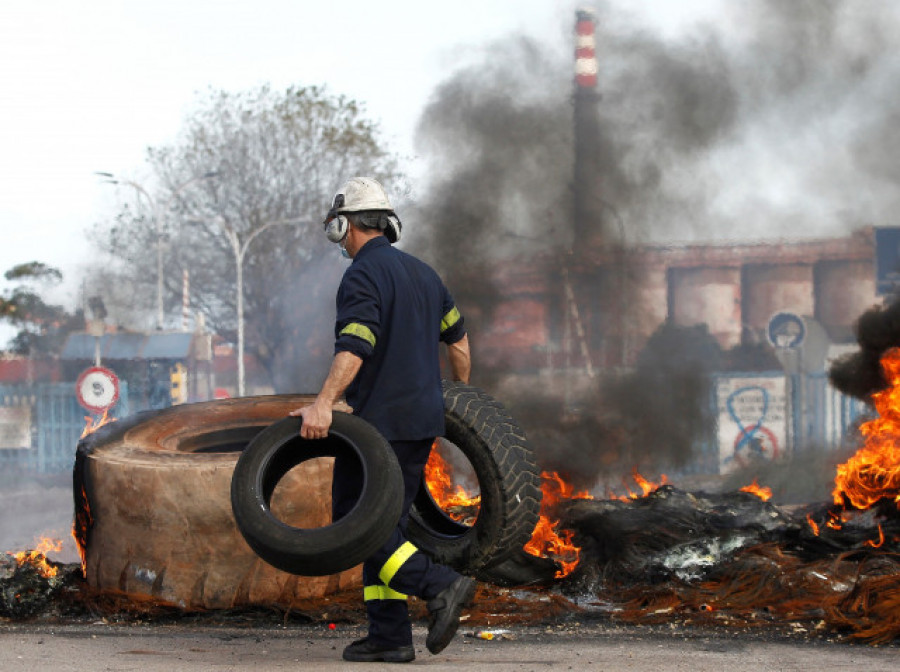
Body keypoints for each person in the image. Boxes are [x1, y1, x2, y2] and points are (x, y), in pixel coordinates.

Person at [290, 176, 475, 663]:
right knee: (385, 528)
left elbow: (355, 344)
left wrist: (325, 402)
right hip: (419, 424)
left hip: (381, 429)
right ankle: (390, 636)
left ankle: (440, 585)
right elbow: (457, 341)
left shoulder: (361, 276)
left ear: (345, 225)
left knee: (358, 526)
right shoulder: (425, 274)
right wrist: (455, 396)